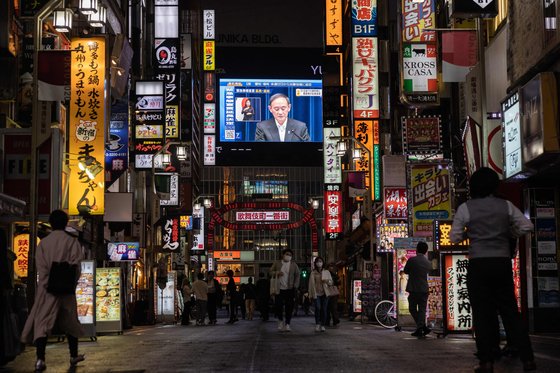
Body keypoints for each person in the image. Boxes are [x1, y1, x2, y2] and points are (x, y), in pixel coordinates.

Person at [450, 167, 536, 373]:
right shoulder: (505, 206)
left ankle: (486, 361)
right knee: (510, 312)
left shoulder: (466, 208)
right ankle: (528, 358)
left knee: (482, 313)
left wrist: (470, 235)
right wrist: (508, 232)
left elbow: (454, 237)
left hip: (478, 265)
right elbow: (527, 226)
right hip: (502, 263)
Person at [21, 210, 85, 371]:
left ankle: (40, 359)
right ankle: (73, 355)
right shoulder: (72, 242)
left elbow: (41, 268)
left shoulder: (44, 243)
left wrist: (45, 281)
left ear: (51, 223)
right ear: (66, 223)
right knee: (70, 321)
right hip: (66, 289)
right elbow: (77, 266)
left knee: (42, 323)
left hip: (47, 288)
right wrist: (72, 282)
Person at [403, 241, 432, 337]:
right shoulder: (428, 262)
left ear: (417, 249)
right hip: (424, 288)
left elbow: (406, 271)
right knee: (422, 309)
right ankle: (422, 327)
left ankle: (421, 327)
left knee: (412, 308)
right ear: (426, 251)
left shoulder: (412, 260)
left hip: (414, 288)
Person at [269, 248, 300, 332]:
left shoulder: (294, 265)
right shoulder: (277, 263)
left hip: (290, 289)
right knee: (278, 306)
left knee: (289, 307)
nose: (288, 256)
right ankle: (280, 321)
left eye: (290, 255)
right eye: (287, 254)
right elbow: (270, 271)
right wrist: (277, 273)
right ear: (283, 255)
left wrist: (295, 285)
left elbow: (297, 275)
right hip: (279, 289)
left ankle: (287, 324)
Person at [308, 256, 332, 332]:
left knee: (324, 309)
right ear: (316, 263)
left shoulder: (326, 272)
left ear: (323, 263)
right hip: (317, 293)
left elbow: (331, 282)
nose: (319, 263)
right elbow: (310, 284)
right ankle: (317, 324)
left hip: (325, 293)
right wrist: (310, 294)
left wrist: (327, 281)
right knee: (318, 308)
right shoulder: (313, 273)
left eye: (320, 261)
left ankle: (322, 325)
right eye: (318, 261)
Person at [326, 263, 340, 327]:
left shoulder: (334, 275)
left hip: (333, 293)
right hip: (327, 293)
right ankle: (328, 320)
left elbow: (338, 282)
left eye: (332, 267)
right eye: (330, 267)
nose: (331, 268)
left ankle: (335, 320)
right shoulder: (325, 274)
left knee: (333, 307)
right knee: (328, 308)